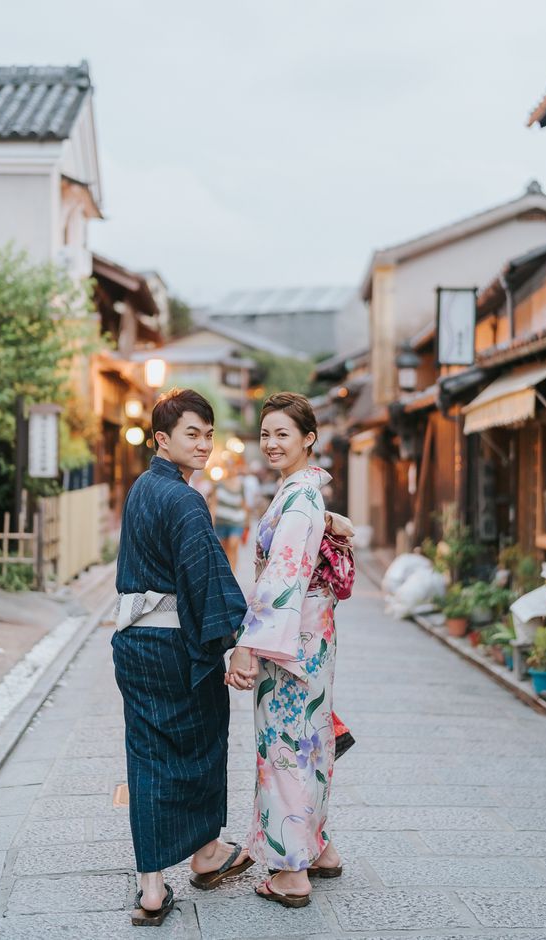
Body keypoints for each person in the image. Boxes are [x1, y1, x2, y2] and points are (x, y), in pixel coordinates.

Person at [112, 388, 257, 926]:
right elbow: (205, 582)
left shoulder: (141, 490)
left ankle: (152, 889)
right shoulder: (186, 500)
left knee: (147, 758)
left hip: (132, 643)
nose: (204, 444)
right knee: (201, 742)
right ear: (162, 439)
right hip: (175, 645)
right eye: (192, 434)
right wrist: (234, 648)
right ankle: (205, 854)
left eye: (209, 434)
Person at [225, 392, 342, 909]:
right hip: (311, 636)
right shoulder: (303, 493)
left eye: (283, 434)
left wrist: (249, 647)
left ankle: (292, 873)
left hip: (290, 640)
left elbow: (281, 578)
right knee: (309, 740)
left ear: (308, 439)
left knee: (286, 748)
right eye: (266, 434)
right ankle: (318, 849)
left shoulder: (298, 498)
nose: (271, 444)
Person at [210, 460, 248, 572]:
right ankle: (226, 572)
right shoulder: (218, 485)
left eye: (232, 467)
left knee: (233, 545)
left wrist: (247, 520)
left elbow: (244, 503)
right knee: (223, 550)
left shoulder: (241, 485)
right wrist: (211, 520)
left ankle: (233, 574)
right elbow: (214, 504)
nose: (230, 470)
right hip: (221, 522)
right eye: (228, 467)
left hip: (236, 521)